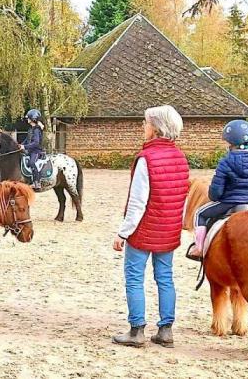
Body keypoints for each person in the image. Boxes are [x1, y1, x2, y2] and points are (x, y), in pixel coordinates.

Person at [111, 105, 189, 349]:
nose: (143, 127)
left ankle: (136, 330)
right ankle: (166, 330)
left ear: (155, 127)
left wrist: (123, 232)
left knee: (134, 278)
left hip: (144, 230)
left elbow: (137, 202)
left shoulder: (146, 159)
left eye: (145, 123)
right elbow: (182, 196)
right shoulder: (180, 157)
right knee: (165, 278)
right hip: (168, 229)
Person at [187, 120, 248, 259]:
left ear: (231, 143)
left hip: (229, 203)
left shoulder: (225, 162)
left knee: (199, 214)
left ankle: (199, 248)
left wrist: (216, 196)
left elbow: (216, 193)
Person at [19, 109, 45, 191]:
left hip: (36, 151)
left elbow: (36, 143)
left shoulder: (37, 130)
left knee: (31, 163)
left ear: (33, 119)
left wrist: (25, 147)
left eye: (28, 118)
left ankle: (37, 182)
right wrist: (20, 145)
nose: (27, 119)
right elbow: (27, 140)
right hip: (30, 151)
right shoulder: (31, 129)